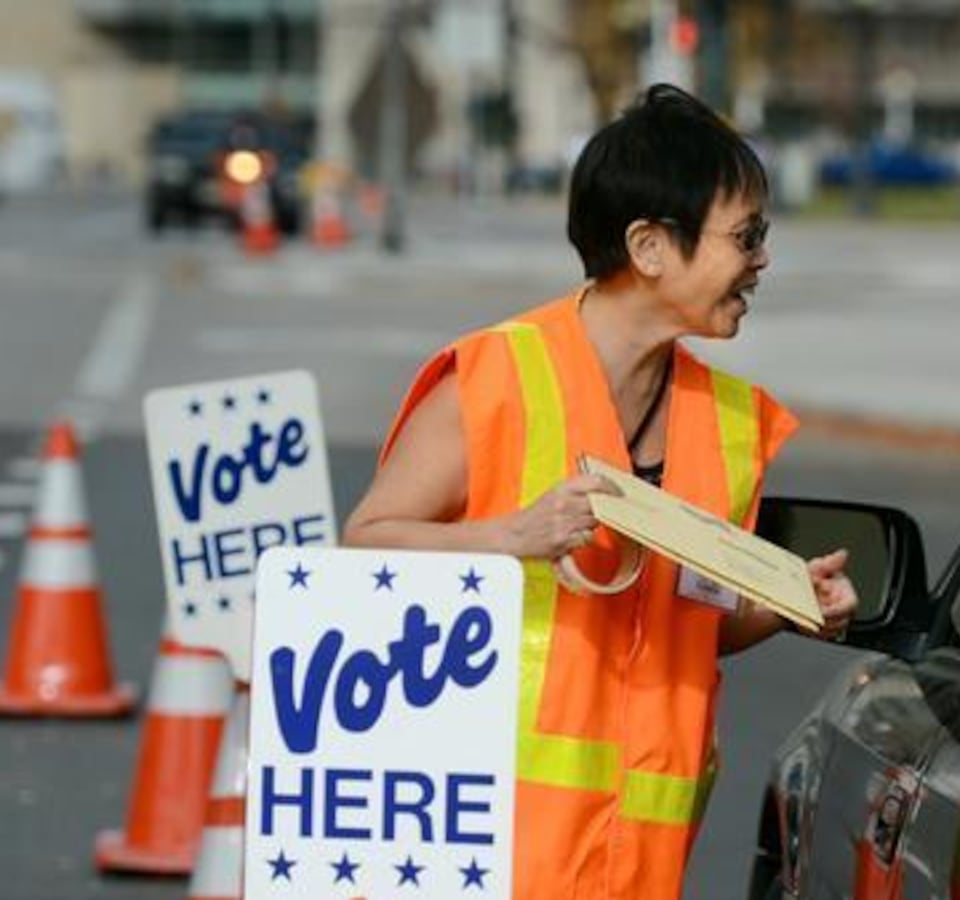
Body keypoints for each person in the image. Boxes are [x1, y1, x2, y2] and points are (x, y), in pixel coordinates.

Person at [343, 83, 857, 900]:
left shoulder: (728, 421)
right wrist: (509, 537)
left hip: (637, 862)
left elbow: (686, 626)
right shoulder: (495, 380)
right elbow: (363, 548)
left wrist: (790, 605)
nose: (760, 259)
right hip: (476, 855)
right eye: (745, 236)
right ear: (650, 246)